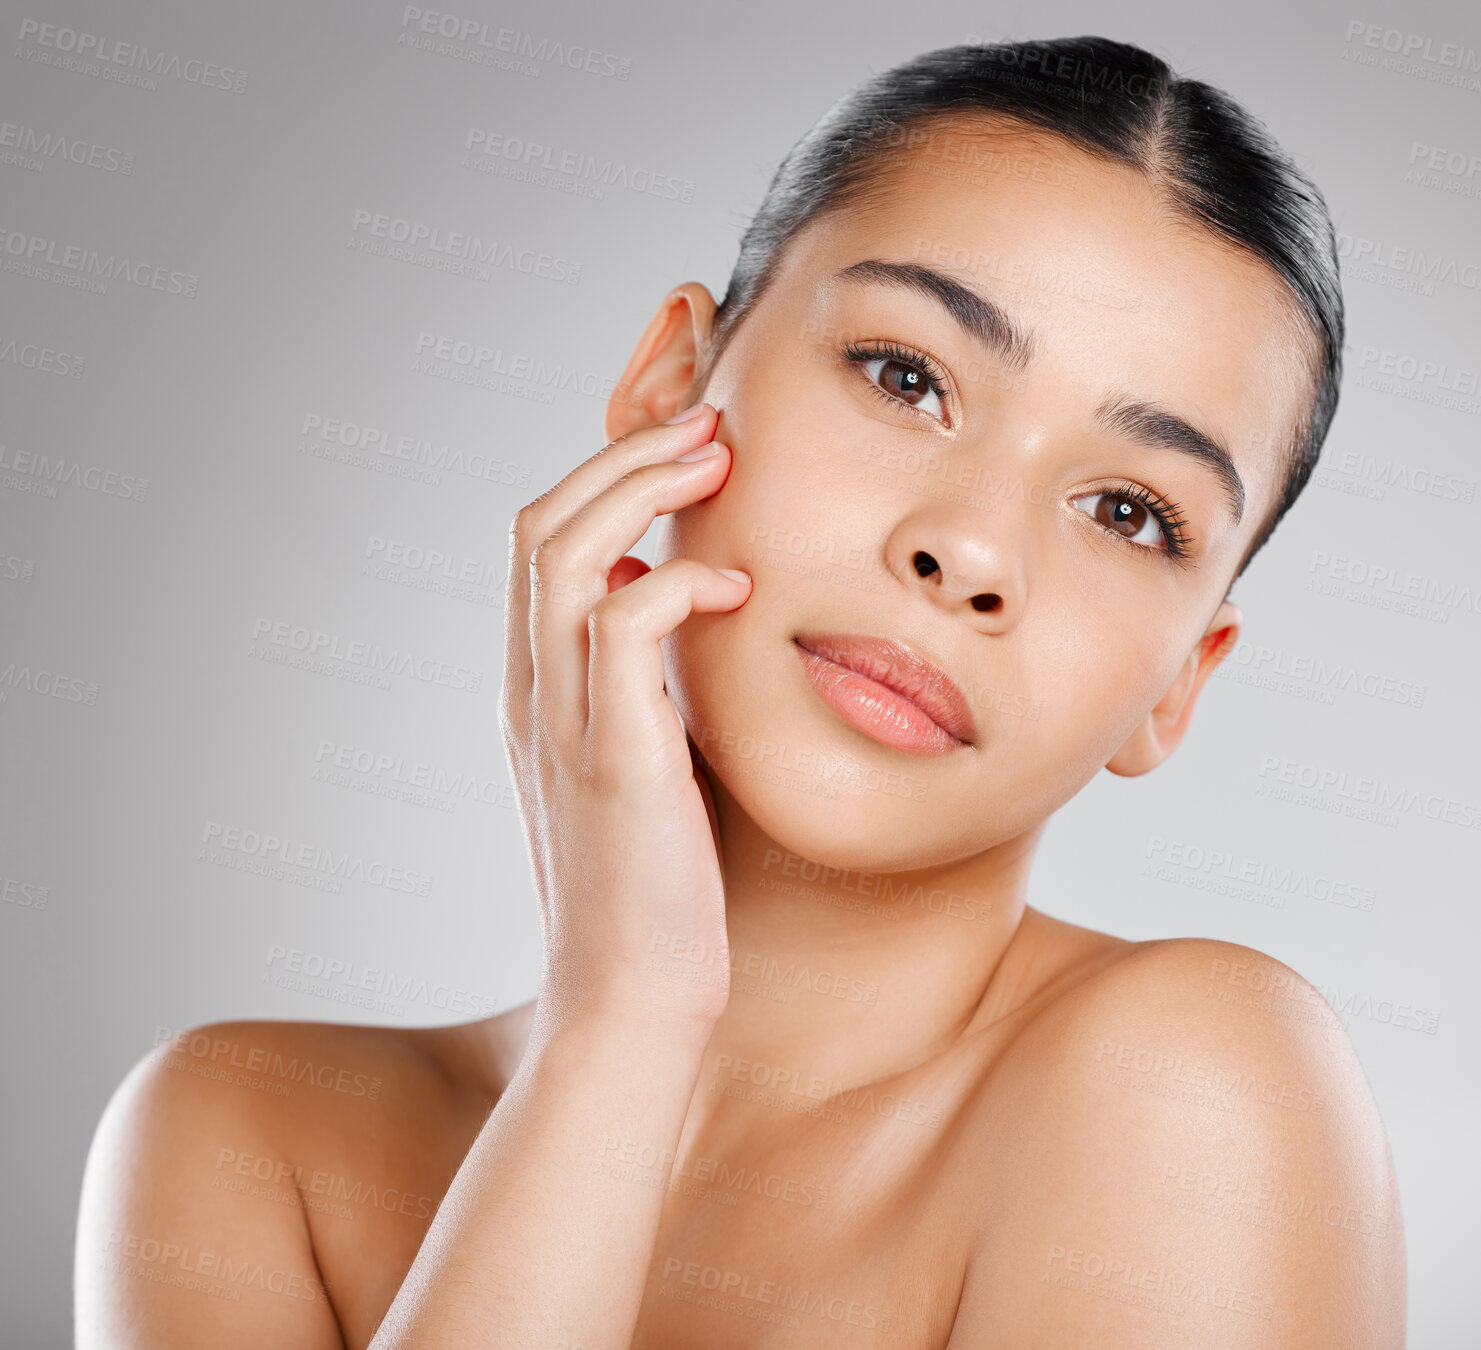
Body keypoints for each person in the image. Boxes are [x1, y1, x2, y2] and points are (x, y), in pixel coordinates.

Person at [74, 35, 1405, 1349]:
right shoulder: (244, 1141)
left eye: (1127, 509)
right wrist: (623, 1023)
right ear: (671, 386)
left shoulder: (1189, 1093)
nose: (972, 551)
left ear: (1180, 680)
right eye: (906, 376)